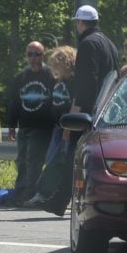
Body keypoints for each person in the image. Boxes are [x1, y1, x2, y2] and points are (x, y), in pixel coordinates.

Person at [25, 45, 76, 213]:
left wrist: (68, 127)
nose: (54, 67)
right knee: (51, 160)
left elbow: (73, 105)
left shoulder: (73, 82)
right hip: (57, 127)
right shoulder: (59, 81)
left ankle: (60, 194)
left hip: (67, 128)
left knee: (62, 163)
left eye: (57, 63)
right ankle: (48, 193)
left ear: (66, 63)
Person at [4, 41, 54, 205]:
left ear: (43, 55)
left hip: (43, 126)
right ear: (26, 56)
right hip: (24, 125)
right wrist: (11, 124)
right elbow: (14, 102)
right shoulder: (21, 77)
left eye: (37, 54)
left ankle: (32, 194)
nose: (33, 58)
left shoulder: (50, 75)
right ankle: (20, 193)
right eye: (30, 54)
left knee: (34, 160)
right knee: (22, 160)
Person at [69, 5, 119, 119]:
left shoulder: (88, 43)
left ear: (80, 22)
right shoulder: (109, 43)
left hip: (88, 117)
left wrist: (74, 115)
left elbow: (86, 82)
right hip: (107, 112)